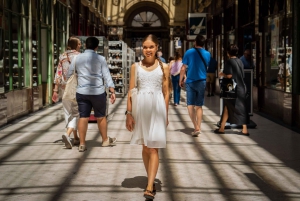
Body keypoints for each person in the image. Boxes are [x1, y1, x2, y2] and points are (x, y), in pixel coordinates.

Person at [125, 34, 170, 200]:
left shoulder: (164, 67)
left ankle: (150, 186)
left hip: (157, 108)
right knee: (145, 146)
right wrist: (129, 114)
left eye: (151, 47)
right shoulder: (135, 67)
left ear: (157, 47)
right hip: (140, 108)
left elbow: (166, 92)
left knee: (153, 147)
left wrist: (165, 113)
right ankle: (150, 178)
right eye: (145, 47)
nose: (148, 50)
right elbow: (131, 91)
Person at [67, 36, 117, 152]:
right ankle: (105, 140)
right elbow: (106, 75)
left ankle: (82, 144)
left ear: (85, 46)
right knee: (101, 116)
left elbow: (69, 74)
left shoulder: (76, 58)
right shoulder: (101, 58)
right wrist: (112, 90)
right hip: (98, 92)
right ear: (96, 47)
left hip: (82, 92)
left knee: (83, 117)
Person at [52, 36, 81, 149]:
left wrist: (55, 90)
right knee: (77, 113)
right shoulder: (80, 57)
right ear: (75, 45)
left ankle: (75, 137)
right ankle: (67, 134)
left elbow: (58, 74)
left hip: (65, 89)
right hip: (78, 88)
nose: (80, 45)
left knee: (67, 113)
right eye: (79, 44)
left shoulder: (63, 56)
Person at [179, 34, 210, 136]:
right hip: (202, 81)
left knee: (190, 105)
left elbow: (183, 68)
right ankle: (198, 127)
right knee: (199, 106)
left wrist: (181, 80)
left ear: (195, 42)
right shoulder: (207, 54)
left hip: (191, 82)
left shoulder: (189, 52)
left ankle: (196, 126)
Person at [214, 44, 249, 136]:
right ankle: (222, 128)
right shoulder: (240, 61)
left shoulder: (229, 62)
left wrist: (222, 74)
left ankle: (244, 129)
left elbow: (229, 75)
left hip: (232, 89)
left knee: (236, 108)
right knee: (228, 107)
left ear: (228, 53)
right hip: (241, 87)